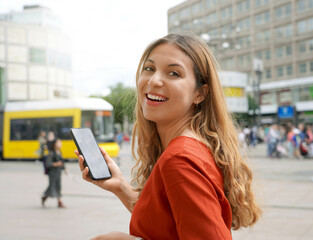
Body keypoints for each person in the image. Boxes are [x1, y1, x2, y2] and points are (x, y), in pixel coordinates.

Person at [75, 33, 262, 239]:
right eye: (149, 68)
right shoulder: (191, 148)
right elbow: (166, 223)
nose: (154, 80)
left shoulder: (179, 160)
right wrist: (120, 187)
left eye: (173, 73)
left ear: (200, 93)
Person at [41, 138, 67, 208]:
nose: (60, 144)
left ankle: (46, 198)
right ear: (55, 144)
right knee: (53, 187)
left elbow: (62, 162)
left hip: (58, 172)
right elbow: (48, 164)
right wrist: (57, 164)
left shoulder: (59, 152)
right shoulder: (51, 153)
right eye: (58, 143)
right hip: (52, 173)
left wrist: (65, 169)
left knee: (57, 186)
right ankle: (59, 202)